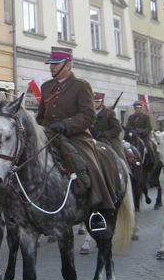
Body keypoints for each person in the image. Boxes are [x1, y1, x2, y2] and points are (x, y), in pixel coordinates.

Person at [36, 47, 116, 229]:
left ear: (68, 64)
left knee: (88, 164)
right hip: (49, 135)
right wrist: (41, 128)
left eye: (56, 64)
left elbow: (89, 116)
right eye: (51, 64)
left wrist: (66, 125)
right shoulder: (47, 87)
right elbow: (41, 115)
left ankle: (97, 209)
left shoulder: (81, 86)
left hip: (75, 136)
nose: (52, 67)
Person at [90, 92, 126, 164]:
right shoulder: (89, 113)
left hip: (108, 139)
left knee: (117, 154)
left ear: (102, 102)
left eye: (97, 102)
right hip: (92, 138)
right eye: (93, 101)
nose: (95, 103)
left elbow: (117, 128)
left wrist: (104, 134)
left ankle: (123, 169)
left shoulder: (109, 113)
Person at [125, 101, 155, 167]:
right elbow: (128, 126)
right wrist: (131, 129)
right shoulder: (131, 117)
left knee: (149, 147)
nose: (137, 109)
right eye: (136, 108)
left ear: (141, 108)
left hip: (143, 137)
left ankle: (151, 161)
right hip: (133, 136)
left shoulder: (146, 117)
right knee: (126, 146)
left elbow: (149, 128)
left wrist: (140, 131)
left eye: (138, 107)